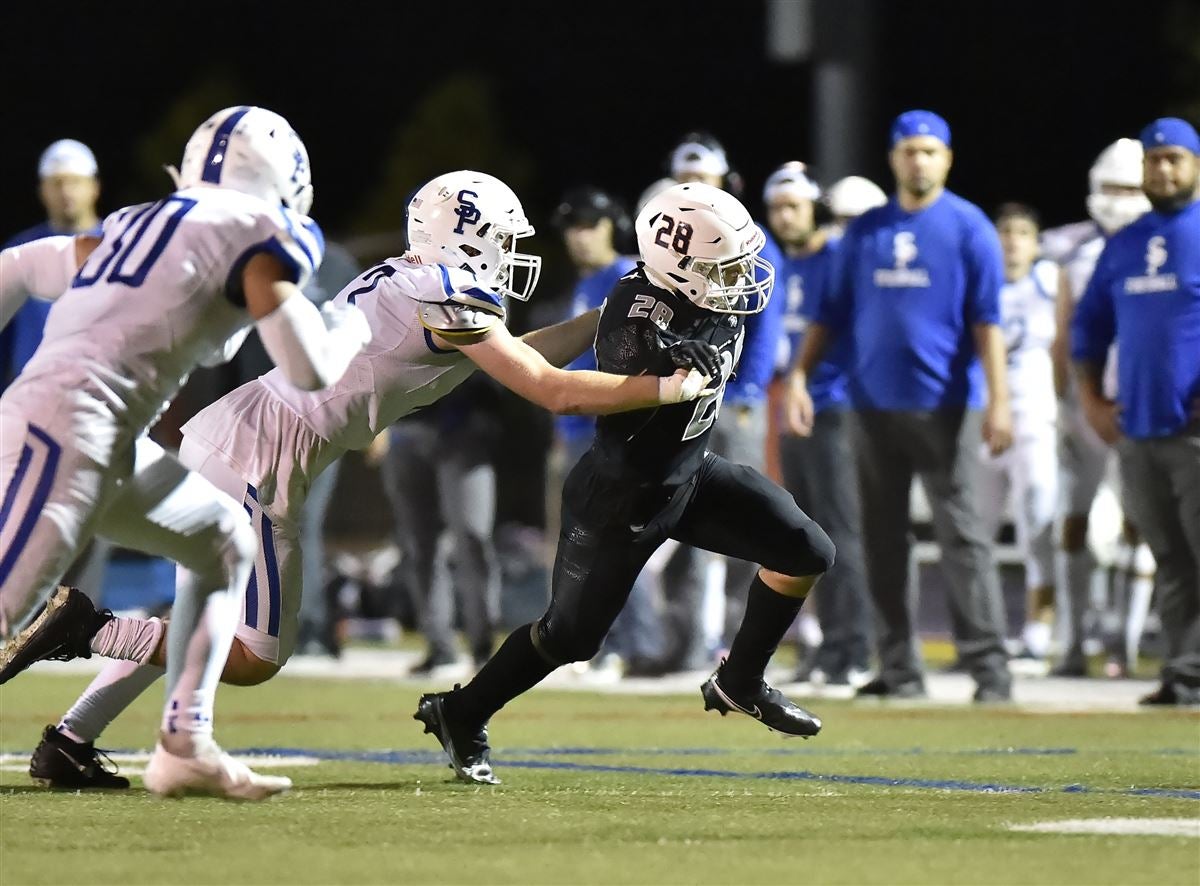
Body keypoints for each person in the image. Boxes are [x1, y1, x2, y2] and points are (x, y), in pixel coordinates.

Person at [10, 170, 716, 789]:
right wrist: (666, 388)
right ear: (464, 236)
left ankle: (70, 740)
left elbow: (511, 357)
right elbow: (551, 389)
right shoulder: (450, 294)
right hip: (264, 457)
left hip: (240, 432)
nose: (509, 253)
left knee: (202, 620)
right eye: (501, 237)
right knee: (255, 656)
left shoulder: (410, 279)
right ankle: (87, 627)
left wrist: (600, 320)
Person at [0, 106, 373, 799]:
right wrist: (347, 324)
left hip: (99, 436)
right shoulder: (258, 229)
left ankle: (184, 744)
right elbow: (309, 368)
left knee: (225, 542)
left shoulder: (139, 221)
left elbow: (23, 265)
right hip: (68, 429)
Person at [415, 181, 835, 786]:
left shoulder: (697, 291)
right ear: (678, 264)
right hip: (620, 498)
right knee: (569, 638)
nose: (739, 276)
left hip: (688, 479)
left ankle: (739, 679)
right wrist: (662, 371)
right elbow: (599, 392)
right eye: (723, 265)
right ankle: (459, 711)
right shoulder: (636, 319)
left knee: (807, 549)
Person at [785, 109, 1014, 703]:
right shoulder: (863, 233)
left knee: (963, 537)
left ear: (947, 158)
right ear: (893, 158)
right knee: (882, 540)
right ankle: (899, 668)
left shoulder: (970, 227)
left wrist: (1000, 403)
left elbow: (988, 323)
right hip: (871, 406)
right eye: (909, 150)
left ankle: (990, 670)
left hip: (948, 407)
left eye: (929, 151)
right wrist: (801, 379)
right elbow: (827, 317)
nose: (919, 160)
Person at [1071, 117, 1200, 707]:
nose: (1164, 170)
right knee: (1170, 556)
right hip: (1139, 427)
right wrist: (1093, 400)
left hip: (1193, 427)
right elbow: (1087, 332)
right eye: (1155, 160)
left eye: (1174, 158)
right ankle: (1184, 672)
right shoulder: (1123, 244)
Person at [652, 132, 789, 670]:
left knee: (730, 527)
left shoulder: (747, 240)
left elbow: (766, 323)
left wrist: (746, 389)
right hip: (678, 401)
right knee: (677, 524)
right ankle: (683, 641)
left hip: (728, 401)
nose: (695, 191)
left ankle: (727, 643)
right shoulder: (667, 239)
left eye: (704, 180)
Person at [1046, 138, 1154, 677]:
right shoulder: (1076, 251)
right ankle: (1071, 641)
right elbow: (1062, 334)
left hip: (1143, 403)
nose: (1120, 199)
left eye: (1130, 188)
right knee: (1074, 522)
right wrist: (1060, 400)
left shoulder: (1157, 244)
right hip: (1083, 404)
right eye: (1111, 187)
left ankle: (1124, 644)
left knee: (1140, 525)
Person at [545, 186, 662, 674]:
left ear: (611, 225)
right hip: (576, 432)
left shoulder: (627, 276)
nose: (580, 237)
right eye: (573, 228)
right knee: (582, 542)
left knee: (619, 541)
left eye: (589, 225)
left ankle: (638, 645)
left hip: (614, 433)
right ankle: (601, 642)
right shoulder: (585, 282)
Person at [767, 161, 871, 686]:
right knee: (808, 536)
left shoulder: (839, 259)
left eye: (794, 206)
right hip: (794, 408)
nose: (785, 218)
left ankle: (855, 647)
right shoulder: (782, 266)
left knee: (842, 532)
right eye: (778, 208)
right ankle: (831, 643)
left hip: (836, 407)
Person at [1, 140, 113, 602]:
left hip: (105, 401)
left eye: (74, 181)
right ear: (43, 190)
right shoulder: (20, 251)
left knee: (98, 513)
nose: (65, 192)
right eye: (56, 183)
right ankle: (24, 614)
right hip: (31, 407)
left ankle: (76, 617)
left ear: (94, 187)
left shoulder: (121, 247)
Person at [975, 203, 1059, 663]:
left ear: (1037, 241)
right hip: (983, 420)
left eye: (1023, 232)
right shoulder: (979, 283)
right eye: (1004, 231)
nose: (1012, 241)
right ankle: (985, 631)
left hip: (1034, 417)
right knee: (976, 533)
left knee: (1038, 525)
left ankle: (1037, 630)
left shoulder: (1049, 280)